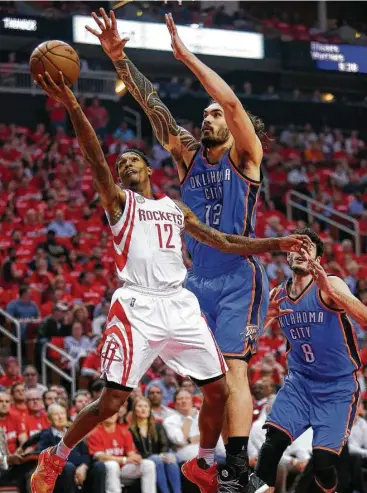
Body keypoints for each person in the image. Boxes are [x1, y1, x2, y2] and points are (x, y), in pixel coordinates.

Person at [31, 70, 310, 493]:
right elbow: (92, 155)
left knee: (220, 388)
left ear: (148, 167)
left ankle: (203, 463)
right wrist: (73, 105)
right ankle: (56, 456)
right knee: (113, 401)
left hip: (179, 302)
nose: (125, 164)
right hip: (138, 307)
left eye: (132, 159)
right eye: (120, 163)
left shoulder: (175, 207)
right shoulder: (119, 203)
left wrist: (276, 242)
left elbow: (223, 239)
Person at [86, 8, 273, 490]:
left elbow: (230, 102)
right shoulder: (189, 156)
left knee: (234, 373)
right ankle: (207, 462)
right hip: (194, 283)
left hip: (237, 276)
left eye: (214, 116)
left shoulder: (246, 156)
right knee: (211, 386)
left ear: (234, 127)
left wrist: (185, 56)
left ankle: (236, 472)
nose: (208, 118)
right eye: (205, 114)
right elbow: (155, 110)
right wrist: (120, 61)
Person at [246, 228, 366, 493]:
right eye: (295, 246)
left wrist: (334, 295)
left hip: (337, 387)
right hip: (300, 383)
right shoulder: (278, 294)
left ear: (318, 258)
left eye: (307, 247)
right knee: (273, 441)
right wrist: (263, 318)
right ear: (287, 255)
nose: (300, 251)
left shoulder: (330, 285)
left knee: (323, 463)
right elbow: (246, 342)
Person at [36, 404, 106, 493]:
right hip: (61, 474)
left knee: (99, 466)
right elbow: (47, 457)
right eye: (56, 414)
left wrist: (83, 467)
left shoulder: (74, 432)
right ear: (49, 419)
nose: (60, 417)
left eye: (62, 413)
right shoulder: (46, 435)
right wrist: (72, 470)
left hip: (81, 470)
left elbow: (85, 454)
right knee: (68, 467)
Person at [87, 411, 155, 493]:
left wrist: (135, 458)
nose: (111, 415)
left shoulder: (124, 431)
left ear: (117, 415)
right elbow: (100, 457)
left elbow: (131, 454)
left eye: (113, 412)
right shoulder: (95, 433)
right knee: (113, 465)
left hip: (123, 470)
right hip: (105, 471)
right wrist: (124, 460)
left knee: (148, 464)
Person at [130, 396, 182, 493]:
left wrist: (164, 454)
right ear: (134, 410)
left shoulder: (157, 426)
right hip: (142, 460)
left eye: (146, 406)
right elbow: (134, 451)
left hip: (159, 457)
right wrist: (156, 456)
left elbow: (165, 445)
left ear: (150, 409)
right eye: (140, 406)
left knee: (170, 458)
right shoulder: (130, 430)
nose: (143, 409)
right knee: (156, 459)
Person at [163, 388, 225, 464]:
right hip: (187, 460)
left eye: (187, 398)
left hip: (213, 457)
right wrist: (189, 418)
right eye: (180, 399)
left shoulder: (203, 416)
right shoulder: (170, 421)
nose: (184, 401)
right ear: (175, 404)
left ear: (192, 401)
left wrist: (224, 455)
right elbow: (180, 440)